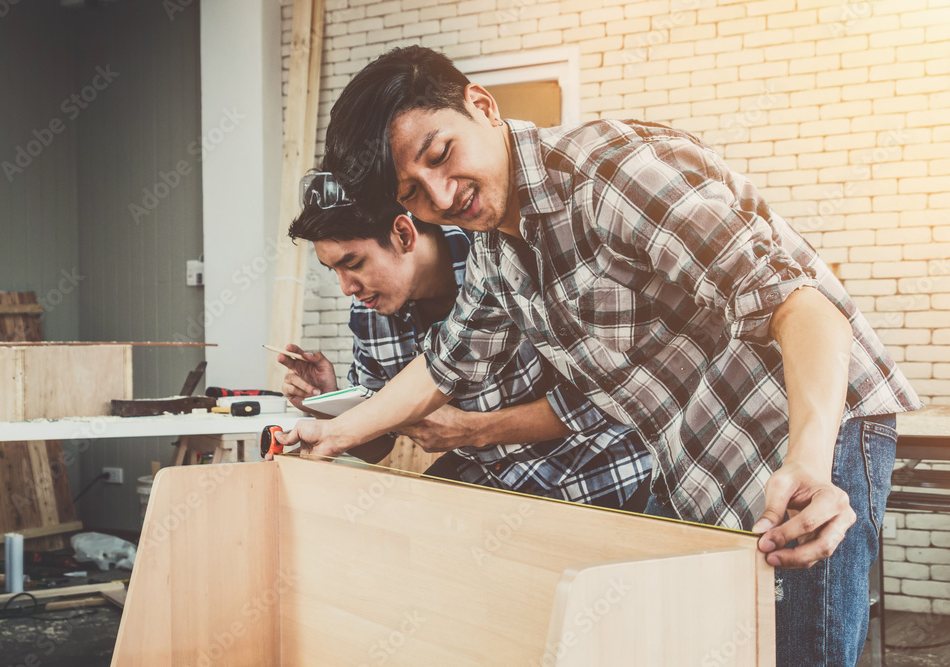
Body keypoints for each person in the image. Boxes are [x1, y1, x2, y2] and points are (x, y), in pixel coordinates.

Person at [278, 46, 922, 665]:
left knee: (796, 655)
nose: (442, 197)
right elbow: (446, 365)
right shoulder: (498, 252)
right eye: (413, 193)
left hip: (804, 436)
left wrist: (809, 462)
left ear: (483, 106)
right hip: (699, 461)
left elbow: (803, 305)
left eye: (442, 155)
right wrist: (334, 432)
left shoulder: (608, 175)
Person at [272, 188, 653, 512]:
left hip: (595, 473)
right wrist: (330, 403)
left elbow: (603, 402)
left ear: (404, 234)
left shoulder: (509, 263)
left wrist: (473, 431)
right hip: (488, 481)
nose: (346, 288)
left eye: (352, 263)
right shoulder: (370, 312)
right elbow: (379, 445)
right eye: (332, 271)